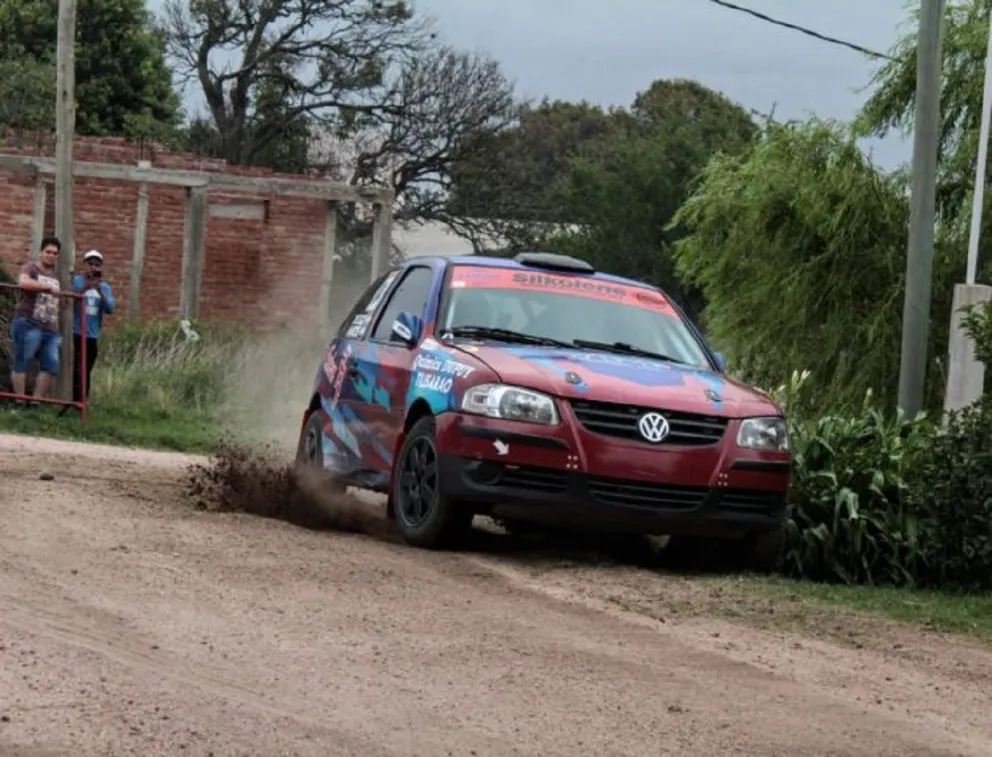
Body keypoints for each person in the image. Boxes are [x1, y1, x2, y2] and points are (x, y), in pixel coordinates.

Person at [9, 236, 63, 406]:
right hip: (28, 322)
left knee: (52, 365)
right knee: (22, 360)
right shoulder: (30, 268)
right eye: (48, 252)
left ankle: (35, 402)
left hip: (50, 328)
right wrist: (47, 288)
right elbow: (23, 282)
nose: (51, 255)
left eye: (55, 253)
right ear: (41, 252)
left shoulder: (56, 276)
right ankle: (19, 401)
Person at [71, 249, 115, 404]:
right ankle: (74, 400)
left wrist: (99, 292)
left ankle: (83, 400)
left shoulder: (105, 287)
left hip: (92, 334)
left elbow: (110, 309)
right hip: (77, 331)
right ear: (85, 265)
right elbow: (70, 301)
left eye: (96, 265)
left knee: (87, 368)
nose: (93, 267)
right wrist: (85, 288)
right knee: (76, 367)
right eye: (90, 264)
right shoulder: (77, 281)